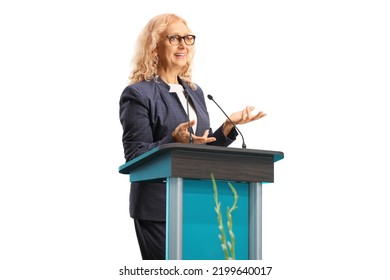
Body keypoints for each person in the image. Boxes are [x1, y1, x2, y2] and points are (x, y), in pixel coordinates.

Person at [119, 13, 266, 260]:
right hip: (159, 209)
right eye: (174, 38)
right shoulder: (138, 94)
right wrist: (171, 141)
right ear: (154, 46)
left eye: (188, 38)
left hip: (199, 204)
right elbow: (134, 156)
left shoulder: (195, 93)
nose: (183, 45)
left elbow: (201, 148)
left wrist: (227, 127)